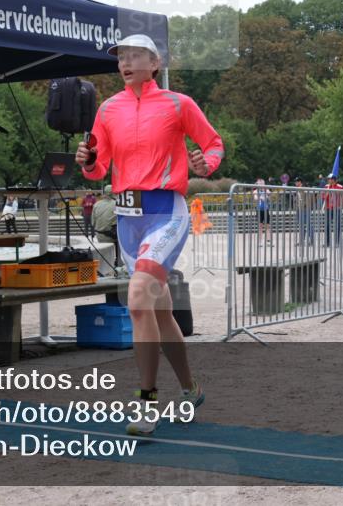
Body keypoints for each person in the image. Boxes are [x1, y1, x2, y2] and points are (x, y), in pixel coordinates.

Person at [76, 33, 222, 437]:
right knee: (157, 312)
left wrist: (205, 164)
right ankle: (190, 389)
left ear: (154, 64)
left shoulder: (178, 103)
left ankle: (147, 400)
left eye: (134, 55)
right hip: (127, 219)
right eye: (121, 57)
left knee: (138, 296)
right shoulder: (108, 109)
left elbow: (213, 144)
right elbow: (98, 168)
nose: (125, 62)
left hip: (165, 213)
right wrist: (87, 161)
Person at [322, 173, 343, 247]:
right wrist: (327, 192)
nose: (328, 180)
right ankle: (327, 242)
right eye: (328, 179)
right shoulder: (326, 187)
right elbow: (323, 197)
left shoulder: (340, 187)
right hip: (328, 208)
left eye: (330, 179)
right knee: (327, 225)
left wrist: (342, 206)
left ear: (334, 180)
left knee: (337, 225)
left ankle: (337, 242)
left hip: (337, 208)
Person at [293, 178, 313, 247]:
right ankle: (302, 240)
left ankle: (311, 240)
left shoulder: (304, 188)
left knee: (308, 224)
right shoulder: (297, 189)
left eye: (296, 182)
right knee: (301, 225)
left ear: (300, 182)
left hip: (305, 209)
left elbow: (308, 198)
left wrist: (305, 205)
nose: (295, 183)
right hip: (299, 209)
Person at [253, 178, 271, 246]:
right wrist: (260, 197)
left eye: (262, 183)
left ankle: (268, 241)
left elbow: (269, 193)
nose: (261, 184)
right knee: (260, 226)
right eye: (259, 183)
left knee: (267, 226)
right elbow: (255, 198)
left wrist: (265, 192)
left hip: (266, 209)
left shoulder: (266, 190)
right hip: (259, 210)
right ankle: (260, 241)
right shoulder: (256, 191)